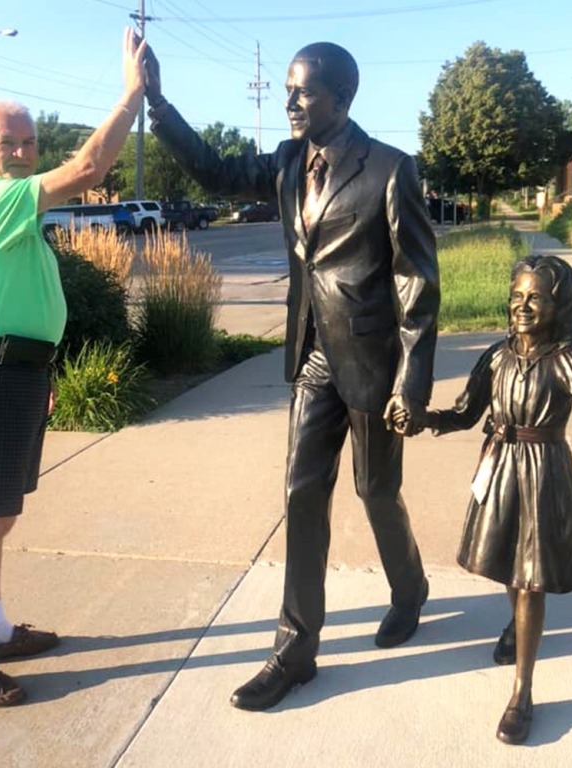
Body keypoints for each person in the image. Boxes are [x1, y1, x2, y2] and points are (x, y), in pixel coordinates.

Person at [143, 41, 440, 711]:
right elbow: (213, 171)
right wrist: (157, 103)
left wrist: (411, 384)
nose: (289, 102)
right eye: (287, 89)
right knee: (301, 492)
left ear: (341, 97)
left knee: (376, 490)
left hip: (369, 358)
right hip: (312, 353)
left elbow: (418, 282)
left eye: (302, 91)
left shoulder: (390, 170)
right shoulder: (284, 164)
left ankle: (411, 586)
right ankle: (295, 648)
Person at [0, 28, 147, 707]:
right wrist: (133, 93)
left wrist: (43, 371)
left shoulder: (10, 208)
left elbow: (18, 298)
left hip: (16, 368)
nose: (24, 154)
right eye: (10, 145)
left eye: (29, 142)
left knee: (2, 513)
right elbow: (88, 168)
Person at [397, 255, 572, 743]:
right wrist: (422, 419)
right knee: (509, 569)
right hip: (500, 471)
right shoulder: (496, 355)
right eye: (518, 295)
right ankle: (517, 630)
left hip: (544, 475)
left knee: (530, 581)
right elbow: (464, 414)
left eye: (536, 297)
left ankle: (522, 692)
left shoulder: (568, 362)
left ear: (559, 305)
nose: (523, 305)